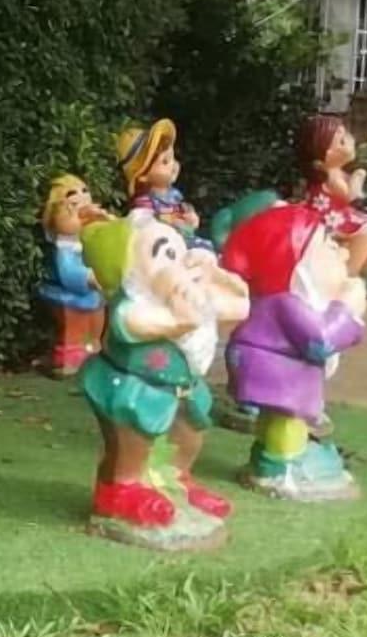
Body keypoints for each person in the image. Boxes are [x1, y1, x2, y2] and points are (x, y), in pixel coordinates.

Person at [79, 215, 250, 548]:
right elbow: (154, 325)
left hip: (182, 388)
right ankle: (120, 490)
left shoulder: (187, 294)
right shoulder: (131, 307)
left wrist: (215, 276)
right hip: (135, 387)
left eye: (179, 252)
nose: (179, 263)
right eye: (165, 254)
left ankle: (178, 479)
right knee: (132, 442)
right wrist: (183, 316)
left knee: (190, 435)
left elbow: (241, 306)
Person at [220, 202, 367, 501]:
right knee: (288, 417)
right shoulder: (287, 304)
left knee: (276, 417)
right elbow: (320, 343)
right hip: (274, 371)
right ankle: (283, 464)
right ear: (297, 266)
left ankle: (268, 454)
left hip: (268, 365)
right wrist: (347, 309)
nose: (343, 253)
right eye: (329, 246)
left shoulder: (282, 302)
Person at [296, 113, 367, 281]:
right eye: (341, 142)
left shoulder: (336, 172)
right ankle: (348, 275)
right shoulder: (331, 177)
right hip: (326, 219)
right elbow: (351, 197)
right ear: (322, 158)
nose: (350, 142)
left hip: (340, 214)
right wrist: (358, 177)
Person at [37, 174, 109, 376]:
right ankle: (71, 357)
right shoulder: (66, 248)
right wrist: (89, 277)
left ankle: (94, 349)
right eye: (74, 210)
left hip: (93, 294)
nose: (83, 216)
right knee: (75, 327)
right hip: (72, 294)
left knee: (96, 322)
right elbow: (68, 272)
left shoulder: (88, 240)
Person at [116, 119, 205, 246]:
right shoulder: (145, 202)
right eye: (165, 161)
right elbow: (144, 226)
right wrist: (168, 222)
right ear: (143, 176)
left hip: (183, 241)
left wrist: (191, 219)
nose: (173, 165)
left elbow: (186, 219)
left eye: (173, 158)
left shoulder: (175, 196)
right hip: (163, 247)